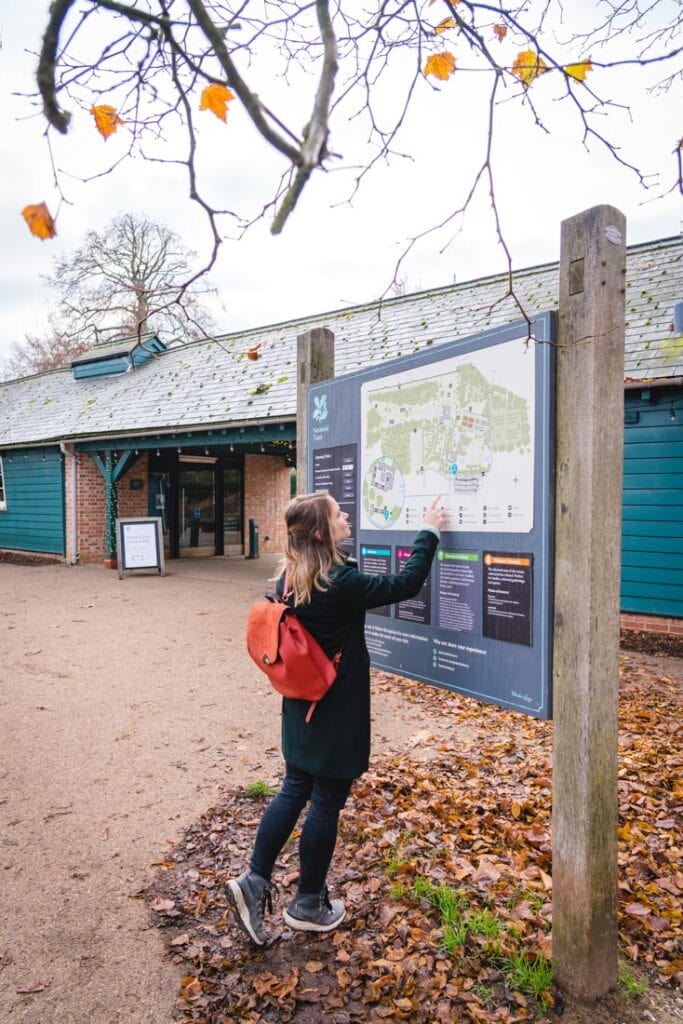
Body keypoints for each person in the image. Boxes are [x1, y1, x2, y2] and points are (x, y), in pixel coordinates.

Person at [227, 490, 446, 945]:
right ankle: (307, 903)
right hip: (334, 711)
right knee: (325, 801)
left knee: (293, 789)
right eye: (339, 514)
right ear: (324, 532)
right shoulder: (338, 581)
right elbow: (404, 585)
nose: (348, 516)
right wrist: (428, 531)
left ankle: (254, 882)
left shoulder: (292, 576)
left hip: (299, 707)